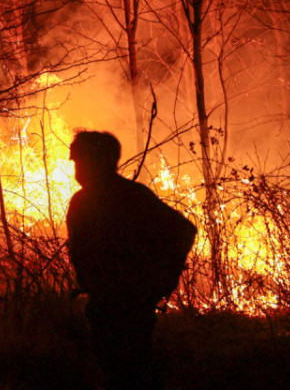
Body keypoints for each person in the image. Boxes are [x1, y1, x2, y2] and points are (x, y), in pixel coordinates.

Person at [66, 131, 197, 390]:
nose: (76, 170)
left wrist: (161, 280)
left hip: (122, 304)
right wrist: (162, 281)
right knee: (125, 370)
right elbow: (183, 230)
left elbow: (182, 230)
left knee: (123, 372)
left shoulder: (98, 199)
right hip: (117, 302)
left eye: (79, 161)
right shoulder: (131, 194)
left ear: (97, 161)